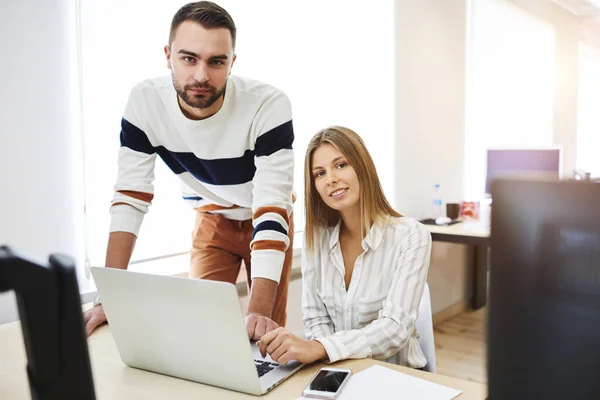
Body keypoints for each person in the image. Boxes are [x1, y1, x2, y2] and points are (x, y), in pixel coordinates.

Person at [83, 1, 295, 341]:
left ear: (232, 63)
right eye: (188, 58)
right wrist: (110, 296)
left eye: (216, 61)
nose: (201, 75)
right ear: (168, 55)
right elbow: (130, 198)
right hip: (210, 219)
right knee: (204, 334)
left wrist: (259, 311)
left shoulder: (268, 105)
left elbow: (271, 206)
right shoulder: (145, 102)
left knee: (265, 336)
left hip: (266, 220)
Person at [257, 126, 431, 368]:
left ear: (362, 166)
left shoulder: (411, 235)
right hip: (337, 372)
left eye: (341, 165)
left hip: (395, 376)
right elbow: (316, 318)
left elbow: (395, 328)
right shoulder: (315, 239)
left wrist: (320, 348)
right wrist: (327, 359)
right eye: (319, 173)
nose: (331, 179)